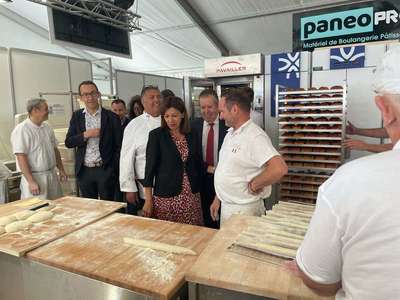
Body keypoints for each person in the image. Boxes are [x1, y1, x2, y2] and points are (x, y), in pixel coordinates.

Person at [285, 48, 400, 299]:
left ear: (383, 107)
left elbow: (321, 280)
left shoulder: (351, 182)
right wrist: (358, 131)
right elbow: (389, 135)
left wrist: (365, 146)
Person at [210, 90, 287, 226]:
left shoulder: (255, 136)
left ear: (234, 109)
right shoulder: (230, 134)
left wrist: (256, 184)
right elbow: (227, 169)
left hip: (244, 210)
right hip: (228, 206)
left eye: (222, 112)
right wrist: (218, 198)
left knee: (239, 248)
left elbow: (279, 168)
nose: (220, 117)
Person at [143, 96, 203, 225]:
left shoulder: (192, 134)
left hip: (191, 195)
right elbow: (149, 171)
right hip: (166, 197)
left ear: (182, 115)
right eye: (166, 116)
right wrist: (148, 201)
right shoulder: (156, 136)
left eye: (174, 116)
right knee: (169, 234)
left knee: (192, 235)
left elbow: (197, 163)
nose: (171, 120)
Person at [65, 81, 122, 200]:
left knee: (109, 205)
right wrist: (85, 135)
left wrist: (111, 167)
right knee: (90, 207)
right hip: (84, 170)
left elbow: (119, 145)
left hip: (105, 169)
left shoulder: (111, 117)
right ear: (80, 97)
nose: (89, 97)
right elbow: (69, 142)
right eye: (85, 94)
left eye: (92, 93)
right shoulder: (77, 116)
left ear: (98, 94)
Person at [11, 98, 67, 200]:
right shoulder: (22, 130)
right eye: (45, 109)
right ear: (35, 111)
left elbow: (55, 150)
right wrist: (31, 181)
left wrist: (61, 169)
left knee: (58, 206)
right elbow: (21, 157)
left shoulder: (47, 127)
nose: (48, 111)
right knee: (38, 209)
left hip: (51, 175)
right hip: (35, 177)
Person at [120, 86, 162, 215]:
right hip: (144, 186)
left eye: (158, 97)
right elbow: (126, 158)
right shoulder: (134, 125)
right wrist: (129, 188)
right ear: (143, 102)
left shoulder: (169, 120)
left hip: (168, 184)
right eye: (152, 97)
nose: (156, 100)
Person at [191, 89, 228, 228]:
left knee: (225, 219)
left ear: (217, 106)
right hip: (202, 179)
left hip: (224, 179)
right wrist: (207, 168)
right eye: (203, 107)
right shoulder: (193, 126)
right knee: (207, 219)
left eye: (210, 106)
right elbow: (192, 156)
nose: (206, 111)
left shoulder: (228, 124)